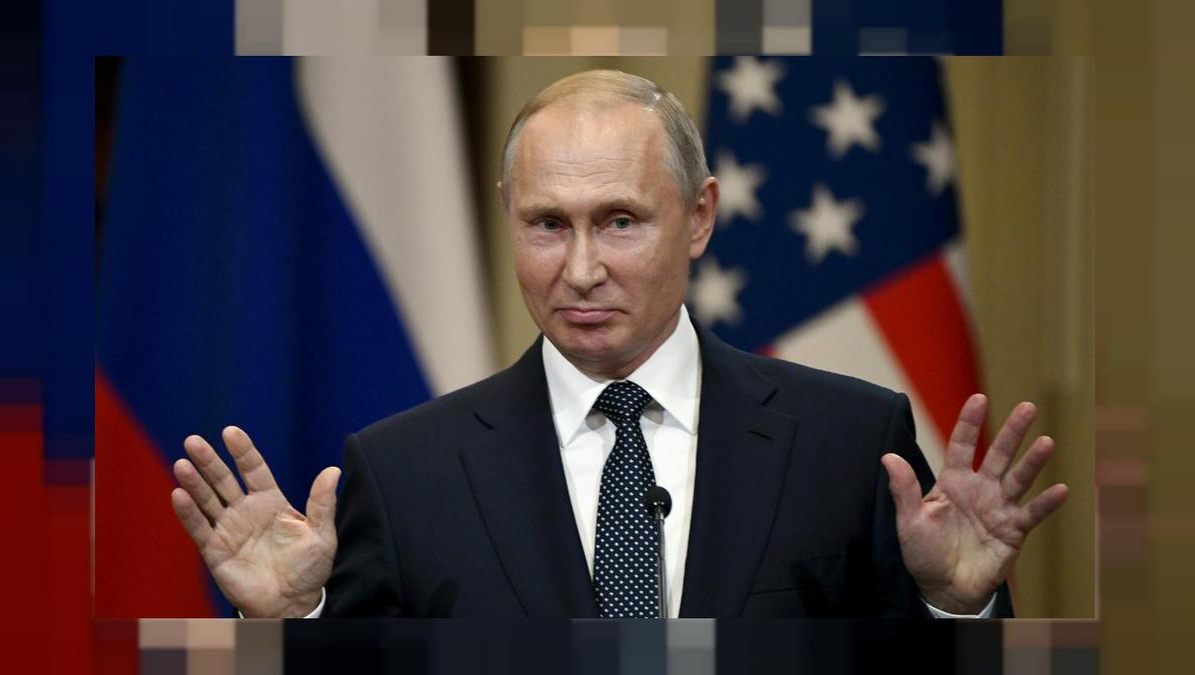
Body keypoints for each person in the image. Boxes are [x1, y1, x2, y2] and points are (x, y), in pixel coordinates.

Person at [169, 70, 1069, 619]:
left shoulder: (849, 441)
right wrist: (294, 623)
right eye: (547, 224)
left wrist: (957, 605)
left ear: (700, 216)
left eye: (621, 221)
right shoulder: (405, 472)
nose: (582, 269)